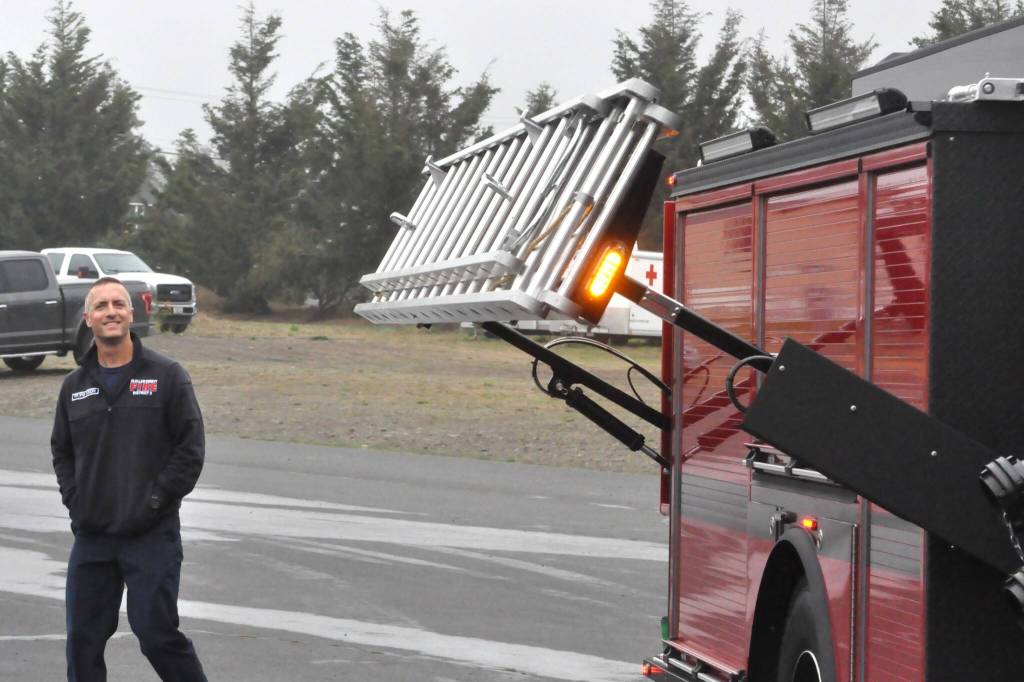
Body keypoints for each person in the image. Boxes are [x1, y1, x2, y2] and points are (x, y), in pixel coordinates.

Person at [51, 276, 207, 682]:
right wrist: (76, 502)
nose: (111, 312)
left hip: (150, 534)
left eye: (118, 304)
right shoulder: (74, 388)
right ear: (88, 318)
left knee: (156, 633)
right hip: (94, 535)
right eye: (101, 306)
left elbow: (190, 451)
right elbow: (62, 452)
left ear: (131, 313)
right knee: (82, 640)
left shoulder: (167, 376)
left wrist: (154, 501)